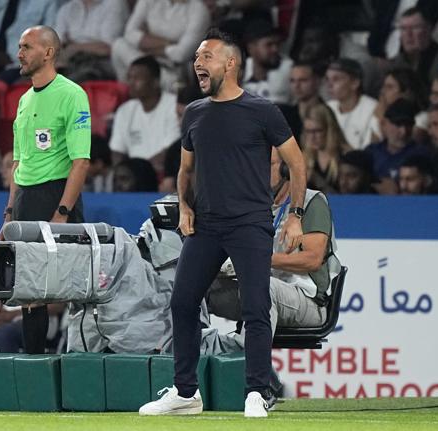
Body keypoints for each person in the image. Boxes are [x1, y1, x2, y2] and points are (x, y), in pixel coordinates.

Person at [138, 29, 306, 418]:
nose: (198, 61)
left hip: (250, 223)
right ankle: (185, 392)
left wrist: (294, 216)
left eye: (207, 56)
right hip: (207, 226)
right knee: (182, 303)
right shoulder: (195, 112)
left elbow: (296, 163)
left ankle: (257, 392)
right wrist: (184, 207)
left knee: (256, 306)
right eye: (197, 56)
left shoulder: (262, 110)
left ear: (230, 64)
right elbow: (185, 170)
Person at [0, 25, 91, 355]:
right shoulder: (23, 100)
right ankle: (33, 364)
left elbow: (80, 162)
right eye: (19, 46)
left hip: (57, 196)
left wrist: (63, 212)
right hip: (26, 200)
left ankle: (78, 362)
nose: (19, 53)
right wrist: (9, 213)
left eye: (26, 47)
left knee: (73, 285)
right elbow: (19, 164)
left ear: (48, 52)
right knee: (29, 292)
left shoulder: (72, 94)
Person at [207, 147, 340, 343]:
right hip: (257, 291)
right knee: (196, 284)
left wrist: (257, 260)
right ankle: (190, 355)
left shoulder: (312, 201)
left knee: (262, 287)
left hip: (307, 301)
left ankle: (249, 364)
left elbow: (313, 260)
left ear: (287, 168)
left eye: (266, 165)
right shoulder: (253, 206)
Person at [112, 0, 211, 92]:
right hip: (144, 57)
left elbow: (181, 54)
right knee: (118, 45)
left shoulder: (199, 10)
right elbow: (129, 33)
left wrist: (147, 40)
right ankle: (127, 93)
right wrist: (169, 43)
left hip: (172, 69)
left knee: (171, 80)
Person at [109, 56, 180, 174]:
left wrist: (143, 173)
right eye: (129, 78)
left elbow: (170, 152)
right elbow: (117, 152)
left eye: (137, 78)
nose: (131, 83)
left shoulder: (173, 106)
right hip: (134, 179)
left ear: (155, 82)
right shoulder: (124, 110)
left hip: (164, 175)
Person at [365, 98, 430, 194]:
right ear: (384, 124)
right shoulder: (371, 152)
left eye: (409, 125)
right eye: (398, 124)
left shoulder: (422, 155)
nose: (404, 132)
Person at [54, 0, 129, 82]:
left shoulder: (114, 4)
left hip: (100, 62)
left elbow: (108, 49)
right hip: (71, 60)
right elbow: (58, 42)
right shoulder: (68, 8)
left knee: (69, 82)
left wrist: (74, 47)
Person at [326, 58, 380, 150]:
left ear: (355, 83)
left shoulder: (373, 109)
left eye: (336, 79)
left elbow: (369, 151)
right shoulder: (328, 107)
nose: (329, 85)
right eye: (328, 79)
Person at [390, 6, 438, 90]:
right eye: (403, 28)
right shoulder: (398, 62)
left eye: (415, 27)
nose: (408, 34)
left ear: (428, 29)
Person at [301, 103, 351, 194]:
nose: (312, 137)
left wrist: (317, 181)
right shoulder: (304, 159)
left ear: (329, 129)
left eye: (317, 131)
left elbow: (349, 198)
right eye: (308, 131)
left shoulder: (346, 156)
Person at [242, 19, 293, 104]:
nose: (275, 49)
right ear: (251, 48)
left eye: (277, 44)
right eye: (269, 45)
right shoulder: (239, 69)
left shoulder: (289, 68)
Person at [278, 62, 325, 138]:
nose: (296, 85)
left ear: (317, 81)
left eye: (303, 80)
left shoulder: (330, 112)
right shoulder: (284, 116)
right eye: (292, 81)